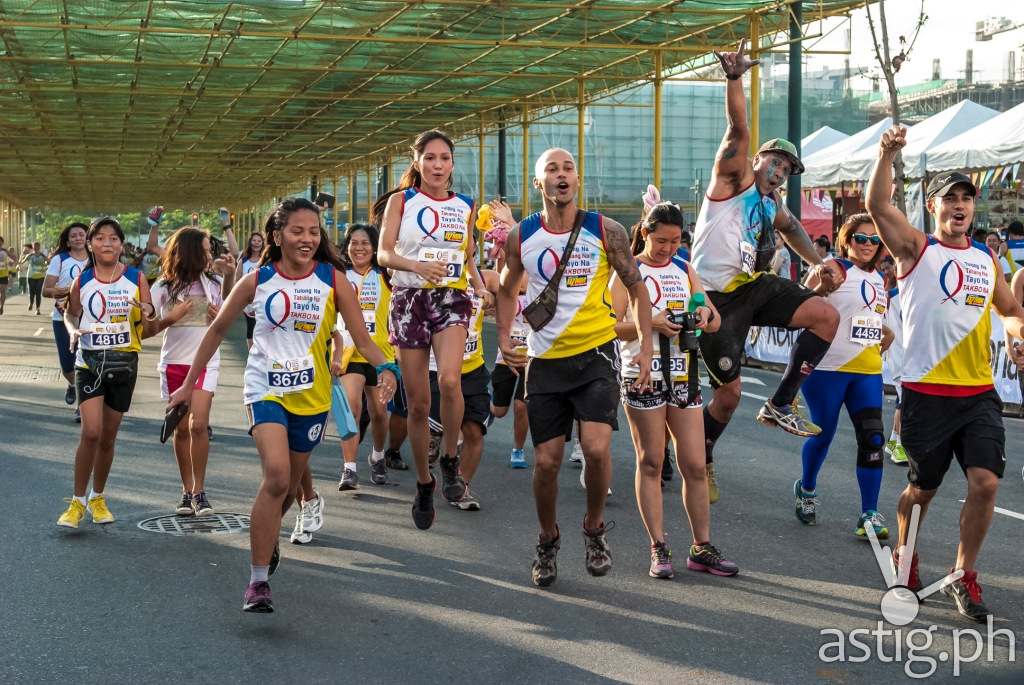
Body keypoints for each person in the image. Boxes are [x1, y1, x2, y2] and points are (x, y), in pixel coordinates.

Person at [167, 197, 397, 613]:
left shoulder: (333, 279)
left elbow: (363, 340)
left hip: (310, 398)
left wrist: (389, 367)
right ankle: (257, 583)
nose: (307, 239)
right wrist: (186, 386)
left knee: (289, 487)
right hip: (265, 390)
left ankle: (267, 537)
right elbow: (217, 330)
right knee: (275, 476)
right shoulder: (257, 280)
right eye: (297, 231)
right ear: (278, 236)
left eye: (314, 231)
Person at [867, 131, 1024, 623]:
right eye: (949, 199)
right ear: (933, 207)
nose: (960, 206)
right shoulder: (915, 249)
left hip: (978, 393)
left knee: (985, 483)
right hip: (925, 394)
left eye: (966, 198)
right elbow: (876, 203)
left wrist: (1018, 334)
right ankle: (905, 555)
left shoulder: (985, 259)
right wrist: (887, 155)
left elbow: (1011, 309)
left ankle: (963, 573)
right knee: (923, 489)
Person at [690, 40, 844, 503]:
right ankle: (702, 455)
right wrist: (734, 79)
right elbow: (737, 127)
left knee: (825, 316)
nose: (779, 172)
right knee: (729, 396)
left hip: (752, 287)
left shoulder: (770, 203)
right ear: (756, 160)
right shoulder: (732, 179)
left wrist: (822, 262)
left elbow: (794, 227)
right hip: (714, 300)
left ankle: (780, 403)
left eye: (787, 170)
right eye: (774, 162)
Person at [496, 147, 654, 587]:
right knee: (546, 462)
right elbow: (506, 291)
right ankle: (547, 539)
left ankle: (594, 527)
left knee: (598, 448)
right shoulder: (522, 236)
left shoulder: (607, 230)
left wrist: (645, 350)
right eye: (552, 169)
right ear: (538, 183)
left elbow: (637, 288)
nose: (561, 176)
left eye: (568, 169)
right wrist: (507, 339)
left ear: (578, 181)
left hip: (596, 355)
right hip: (545, 362)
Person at [613, 200, 738, 580]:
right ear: (645, 232)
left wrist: (703, 315)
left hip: (684, 373)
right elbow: (609, 326)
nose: (668, 248)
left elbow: (712, 321)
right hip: (643, 372)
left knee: (696, 465)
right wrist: (650, 321)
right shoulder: (627, 271)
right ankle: (658, 546)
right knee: (651, 461)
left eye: (675, 240)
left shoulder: (685, 269)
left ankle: (702, 547)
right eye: (661, 240)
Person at [375, 129, 491, 530]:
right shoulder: (401, 201)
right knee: (419, 404)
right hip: (409, 300)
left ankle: (450, 460)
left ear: (452, 164)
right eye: (430, 158)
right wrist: (416, 266)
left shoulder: (466, 206)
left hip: (451, 299)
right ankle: (425, 484)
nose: (438, 165)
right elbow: (384, 253)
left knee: (450, 380)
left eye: (445, 158)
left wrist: (477, 283)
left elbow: (468, 256)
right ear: (418, 161)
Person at [792, 214, 894, 539]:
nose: (867, 245)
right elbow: (798, 305)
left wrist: (885, 338)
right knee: (822, 434)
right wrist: (823, 285)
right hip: (827, 369)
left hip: (866, 371)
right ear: (847, 240)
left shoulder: (880, 279)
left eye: (874, 240)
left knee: (874, 438)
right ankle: (806, 489)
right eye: (860, 238)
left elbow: (873, 322)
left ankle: (870, 514)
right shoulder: (833, 267)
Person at [56, 217, 160, 529]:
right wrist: (73, 331)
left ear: (121, 244)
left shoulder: (136, 277)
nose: (107, 243)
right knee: (91, 431)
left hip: (123, 364)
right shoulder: (83, 280)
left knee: (108, 437)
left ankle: (98, 497)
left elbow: (151, 319)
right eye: (100, 238)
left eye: (113, 238)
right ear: (90, 244)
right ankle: (76, 503)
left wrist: (147, 309)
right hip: (89, 363)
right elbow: (71, 314)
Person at [150, 226, 237, 516]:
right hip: (173, 362)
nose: (209, 254)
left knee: (198, 425)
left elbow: (226, 315)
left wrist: (217, 316)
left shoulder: (212, 282)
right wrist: (168, 319)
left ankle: (200, 491)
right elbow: (146, 329)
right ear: (189, 252)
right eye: (204, 250)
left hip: (206, 362)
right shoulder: (163, 286)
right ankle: (186, 492)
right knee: (181, 429)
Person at [425, 268, 499, 510]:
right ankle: (436, 442)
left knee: (474, 431)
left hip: (473, 368)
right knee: (435, 430)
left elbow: (514, 290)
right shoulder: (433, 271)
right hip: (438, 368)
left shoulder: (486, 278)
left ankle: (461, 487)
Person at [335, 223, 394, 490]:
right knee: (351, 407)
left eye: (365, 243)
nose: (359, 248)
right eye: (354, 243)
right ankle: (349, 468)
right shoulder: (338, 275)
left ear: (374, 247)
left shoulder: (386, 275)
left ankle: (378, 456)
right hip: (349, 354)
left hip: (381, 354)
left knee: (380, 412)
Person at [42, 223, 90, 418]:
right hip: (62, 318)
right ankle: (72, 384)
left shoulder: (96, 259)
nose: (78, 238)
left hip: (89, 319)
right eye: (74, 236)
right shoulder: (59, 260)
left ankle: (82, 404)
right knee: (68, 365)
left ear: (87, 238)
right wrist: (67, 291)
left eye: (82, 234)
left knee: (87, 362)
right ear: (68, 241)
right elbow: (46, 290)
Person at [236, 230, 266, 349]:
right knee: (251, 326)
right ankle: (251, 353)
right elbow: (237, 280)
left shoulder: (265, 261)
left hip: (262, 299)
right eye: (254, 240)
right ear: (250, 242)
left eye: (259, 241)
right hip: (248, 301)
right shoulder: (243, 261)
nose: (256, 243)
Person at [22, 241, 48, 315]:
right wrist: (19, 265)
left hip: (40, 276)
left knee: (38, 292)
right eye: (35, 246)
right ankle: (31, 302)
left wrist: (46, 262)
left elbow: (48, 261)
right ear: (33, 247)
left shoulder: (42, 255)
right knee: (31, 291)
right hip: (31, 276)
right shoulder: (30, 255)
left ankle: (38, 309)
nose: (36, 247)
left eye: (38, 246)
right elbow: (22, 261)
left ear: (39, 247)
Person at [0, 236, 13, 314]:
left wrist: (12, 262)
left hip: (4, 274)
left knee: (2, 291)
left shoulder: (5, 251)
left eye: (0, 241)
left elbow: (13, 257)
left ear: (2, 242)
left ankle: (2, 307)